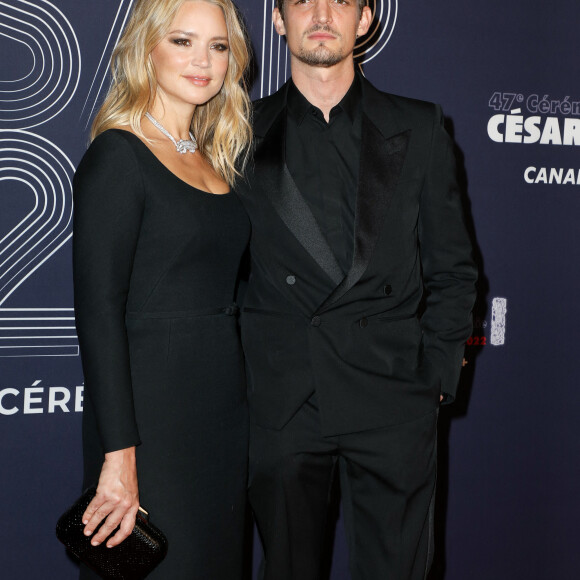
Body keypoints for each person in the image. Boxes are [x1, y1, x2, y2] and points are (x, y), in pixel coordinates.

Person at [235, 1, 478, 578]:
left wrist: (435, 380)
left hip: (393, 396)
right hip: (285, 402)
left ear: (365, 19)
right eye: (303, 1)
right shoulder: (236, 128)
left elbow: (453, 268)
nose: (321, 13)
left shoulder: (420, 127)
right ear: (277, 19)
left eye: (341, 0)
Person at [72, 1, 252, 577]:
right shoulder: (119, 155)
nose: (202, 60)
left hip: (221, 420)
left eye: (218, 46)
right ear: (146, 48)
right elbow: (98, 313)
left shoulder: (212, 159)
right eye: (182, 41)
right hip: (152, 430)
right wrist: (119, 457)